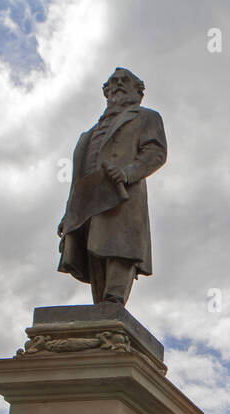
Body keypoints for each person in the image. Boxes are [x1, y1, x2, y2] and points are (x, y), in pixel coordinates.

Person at [57, 67, 166, 306]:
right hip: (88, 198)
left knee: (119, 247)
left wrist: (127, 173)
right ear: (105, 91)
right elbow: (76, 178)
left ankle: (113, 302)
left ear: (138, 91)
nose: (117, 84)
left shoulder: (147, 117)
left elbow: (156, 153)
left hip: (122, 194)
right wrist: (69, 214)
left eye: (124, 81)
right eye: (112, 82)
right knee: (93, 250)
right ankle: (102, 313)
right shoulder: (90, 133)